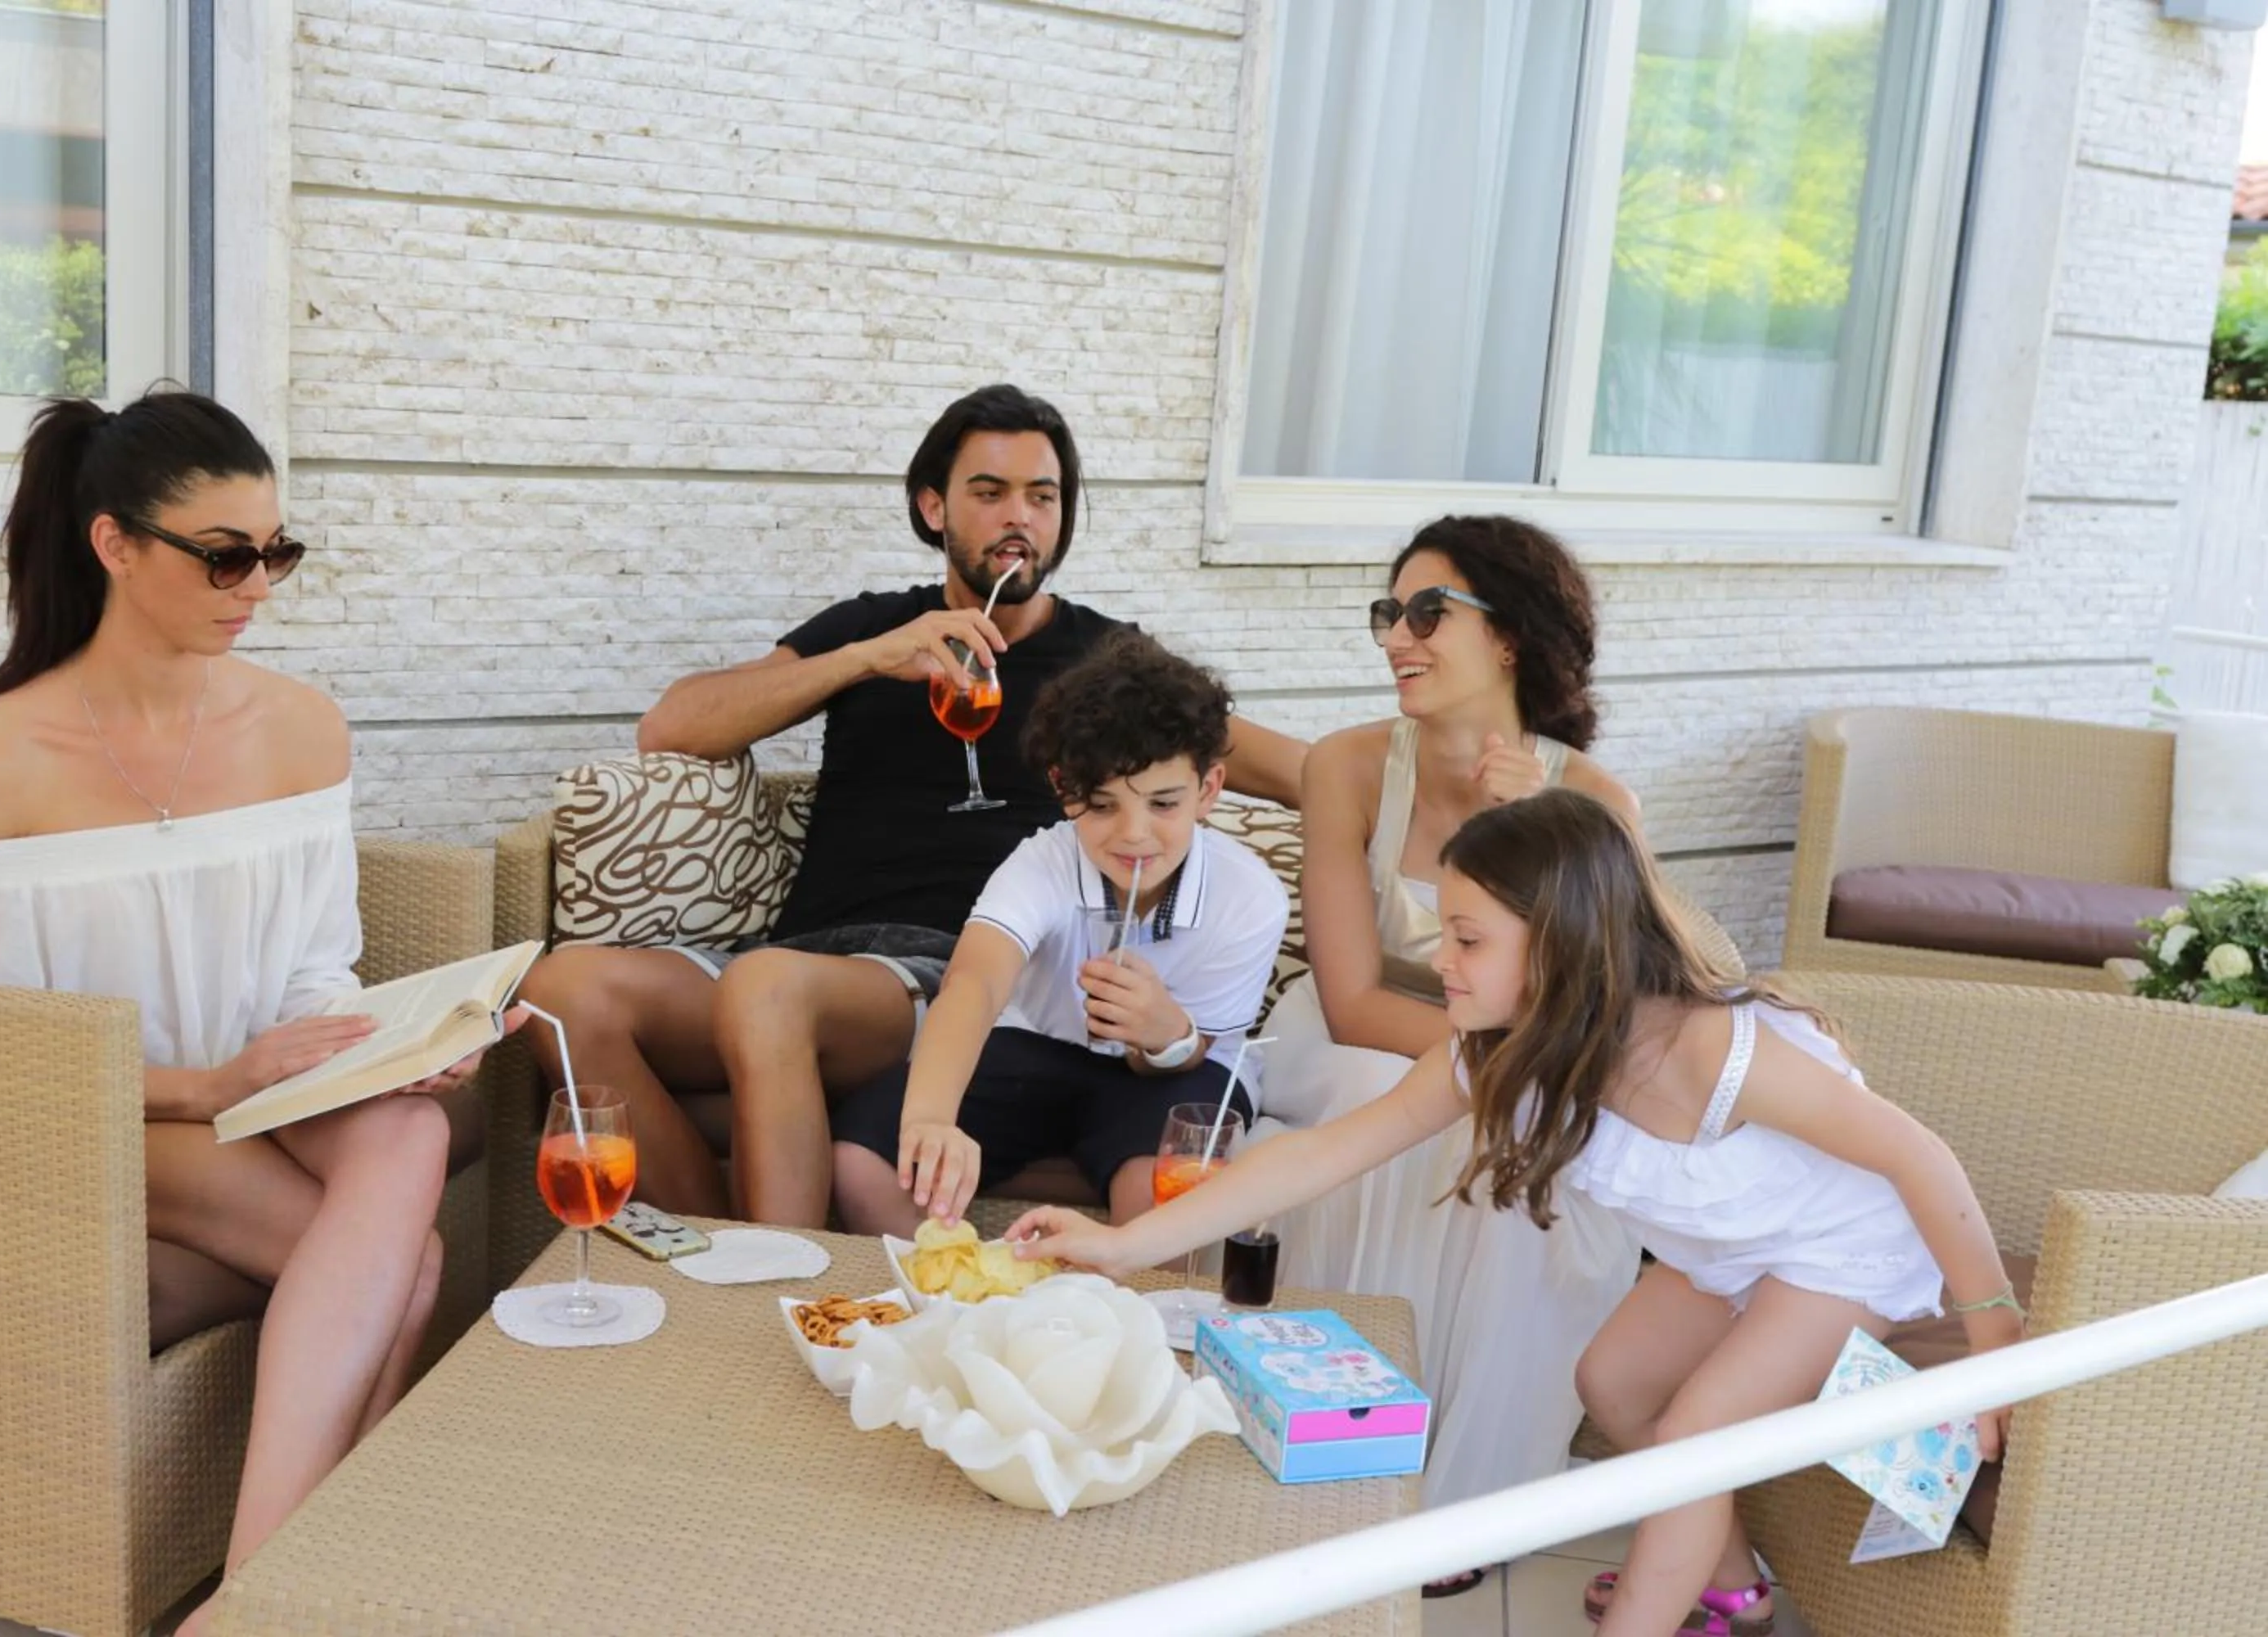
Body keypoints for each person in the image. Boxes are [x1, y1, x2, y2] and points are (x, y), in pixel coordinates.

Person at [1010, 789, 2022, 1637]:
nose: (1439, 957)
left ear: (1565, 946)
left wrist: (1994, 1346)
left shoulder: (1713, 1050)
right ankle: (1735, 1588)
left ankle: (1655, 1610)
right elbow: (1323, 1152)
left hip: (1842, 1252)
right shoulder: (1496, 1050)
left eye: (1466, 937)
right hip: (1731, 1256)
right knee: (1611, 1381)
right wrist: (1120, 1242)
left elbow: (1913, 1153)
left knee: (1693, 1434)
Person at [0, 390, 517, 1635]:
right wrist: (212, 1087)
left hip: (254, 1105)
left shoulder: (300, 728)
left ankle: (253, 1593)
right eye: (226, 556)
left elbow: (307, 974)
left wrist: (377, 1053)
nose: (258, 586)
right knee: (415, 1265)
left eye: (277, 552)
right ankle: (277, 1594)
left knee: (406, 1136)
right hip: (90, 1132)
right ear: (114, 544)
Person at [516, 384, 1305, 1226]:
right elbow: (671, 726)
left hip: (949, 973)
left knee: (766, 987)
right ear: (934, 506)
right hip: (813, 960)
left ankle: (773, 1273)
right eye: (990, 492)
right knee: (560, 990)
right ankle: (725, 1262)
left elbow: (1294, 770)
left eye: (1043, 497)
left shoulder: (1107, 664)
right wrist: (862, 659)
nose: (1020, 518)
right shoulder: (876, 629)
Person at [1259, 515, 1641, 1571]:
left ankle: (1456, 1499)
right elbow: (1349, 997)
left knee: (1531, 1159)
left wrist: (1542, 845)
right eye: (1389, 613)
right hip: (1350, 1040)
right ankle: (1330, 1457)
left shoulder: (1594, 802)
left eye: (1429, 612)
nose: (1396, 636)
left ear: (1509, 636)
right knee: (1398, 1106)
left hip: (1513, 1057)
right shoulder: (1344, 765)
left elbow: (1608, 999)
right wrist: (1494, 1074)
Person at [829, 633, 1287, 1233]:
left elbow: (1196, 1054)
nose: (1134, 834)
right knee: (864, 1160)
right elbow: (972, 984)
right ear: (1062, 787)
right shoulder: (1041, 863)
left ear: (1208, 790)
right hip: (1038, 1051)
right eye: (1102, 805)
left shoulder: (1250, 896)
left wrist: (1164, 1035)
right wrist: (931, 1120)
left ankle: (1128, 1321)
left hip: (1180, 1072)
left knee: (1168, 1197)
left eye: (1163, 804)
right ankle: (958, 1311)